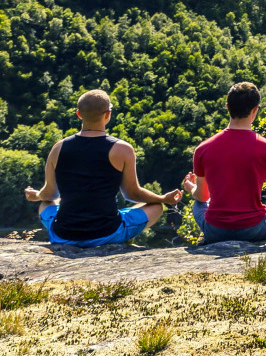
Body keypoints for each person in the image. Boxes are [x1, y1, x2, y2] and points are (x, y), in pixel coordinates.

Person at [23, 89, 182, 246]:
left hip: (63, 234)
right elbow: (132, 194)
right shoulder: (122, 149)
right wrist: (163, 199)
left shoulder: (58, 148)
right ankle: (123, 237)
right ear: (108, 114)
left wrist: (35, 195)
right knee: (156, 207)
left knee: (45, 204)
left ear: (78, 114)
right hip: (108, 232)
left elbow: (49, 194)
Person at [182, 82, 266, 244]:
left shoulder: (203, 148)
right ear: (255, 110)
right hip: (254, 229)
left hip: (215, 230)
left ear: (227, 107)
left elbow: (202, 195)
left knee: (199, 204)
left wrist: (189, 186)